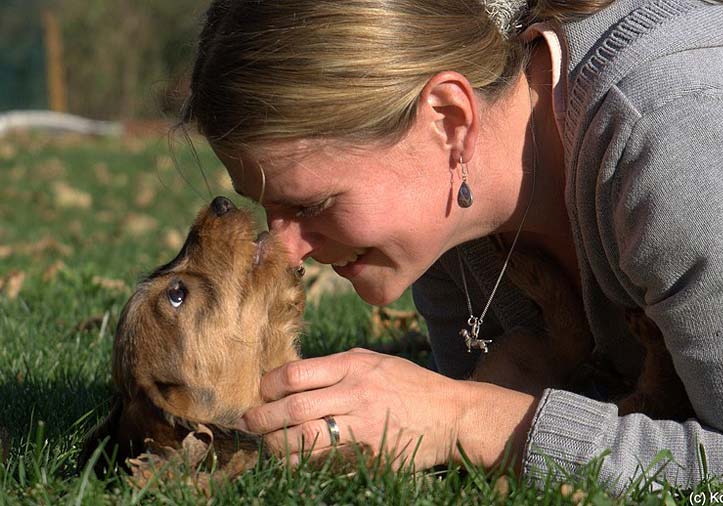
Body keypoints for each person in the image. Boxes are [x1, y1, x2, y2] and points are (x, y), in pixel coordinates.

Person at [179, 0, 723, 494]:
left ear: (448, 120)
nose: (286, 251)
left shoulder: (674, 141)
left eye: (312, 205)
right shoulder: (443, 233)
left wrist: (467, 419)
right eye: (267, 208)